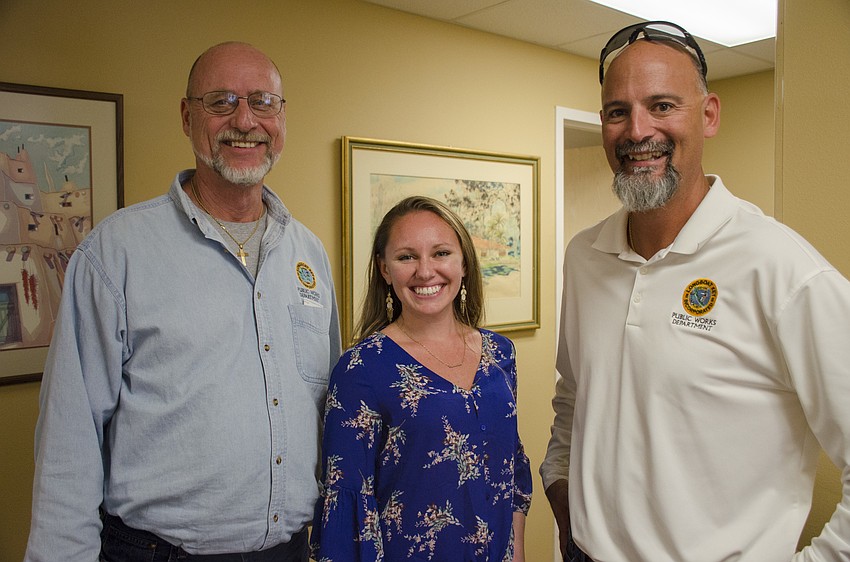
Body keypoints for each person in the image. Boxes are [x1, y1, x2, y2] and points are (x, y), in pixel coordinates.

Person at [540, 20, 850, 562]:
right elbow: (575, 393)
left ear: (708, 115)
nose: (637, 130)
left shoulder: (782, 270)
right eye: (617, 111)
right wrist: (559, 481)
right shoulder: (585, 256)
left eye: (662, 105)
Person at [25, 42, 340, 561]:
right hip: (158, 552)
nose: (245, 121)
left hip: (288, 551)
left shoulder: (308, 253)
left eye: (262, 102)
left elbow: (328, 411)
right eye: (221, 101)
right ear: (187, 117)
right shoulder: (116, 252)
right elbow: (68, 439)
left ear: (282, 118)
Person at [310, 196, 532, 561]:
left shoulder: (500, 354)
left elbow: (512, 469)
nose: (425, 271)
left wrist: (517, 551)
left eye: (441, 253)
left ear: (464, 263)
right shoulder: (361, 370)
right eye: (406, 257)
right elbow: (347, 511)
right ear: (385, 269)